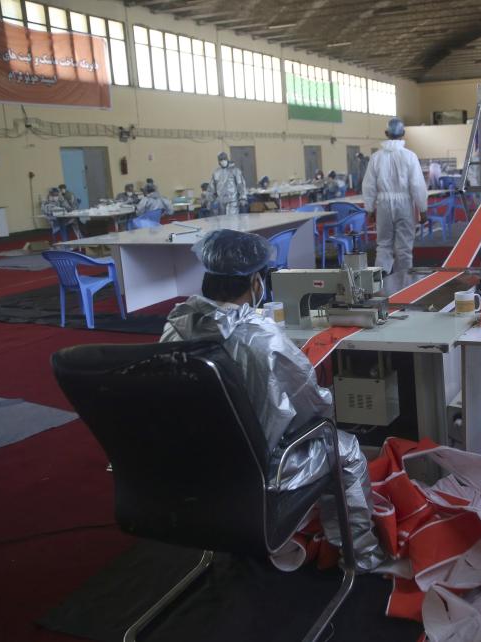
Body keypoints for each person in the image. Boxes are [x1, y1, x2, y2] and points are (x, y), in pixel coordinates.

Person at [161, 230, 384, 571]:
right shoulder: (263, 340)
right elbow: (313, 409)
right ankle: (361, 558)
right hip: (257, 470)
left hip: (193, 467)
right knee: (345, 448)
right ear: (255, 281)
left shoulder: (174, 327)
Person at [362, 117, 428, 285]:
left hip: (383, 205)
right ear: (404, 134)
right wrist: (422, 209)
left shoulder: (376, 158)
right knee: (404, 247)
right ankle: (406, 283)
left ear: (386, 134)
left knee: (383, 245)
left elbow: (369, 186)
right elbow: (417, 185)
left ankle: (380, 283)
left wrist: (369, 209)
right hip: (404, 204)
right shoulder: (410, 156)